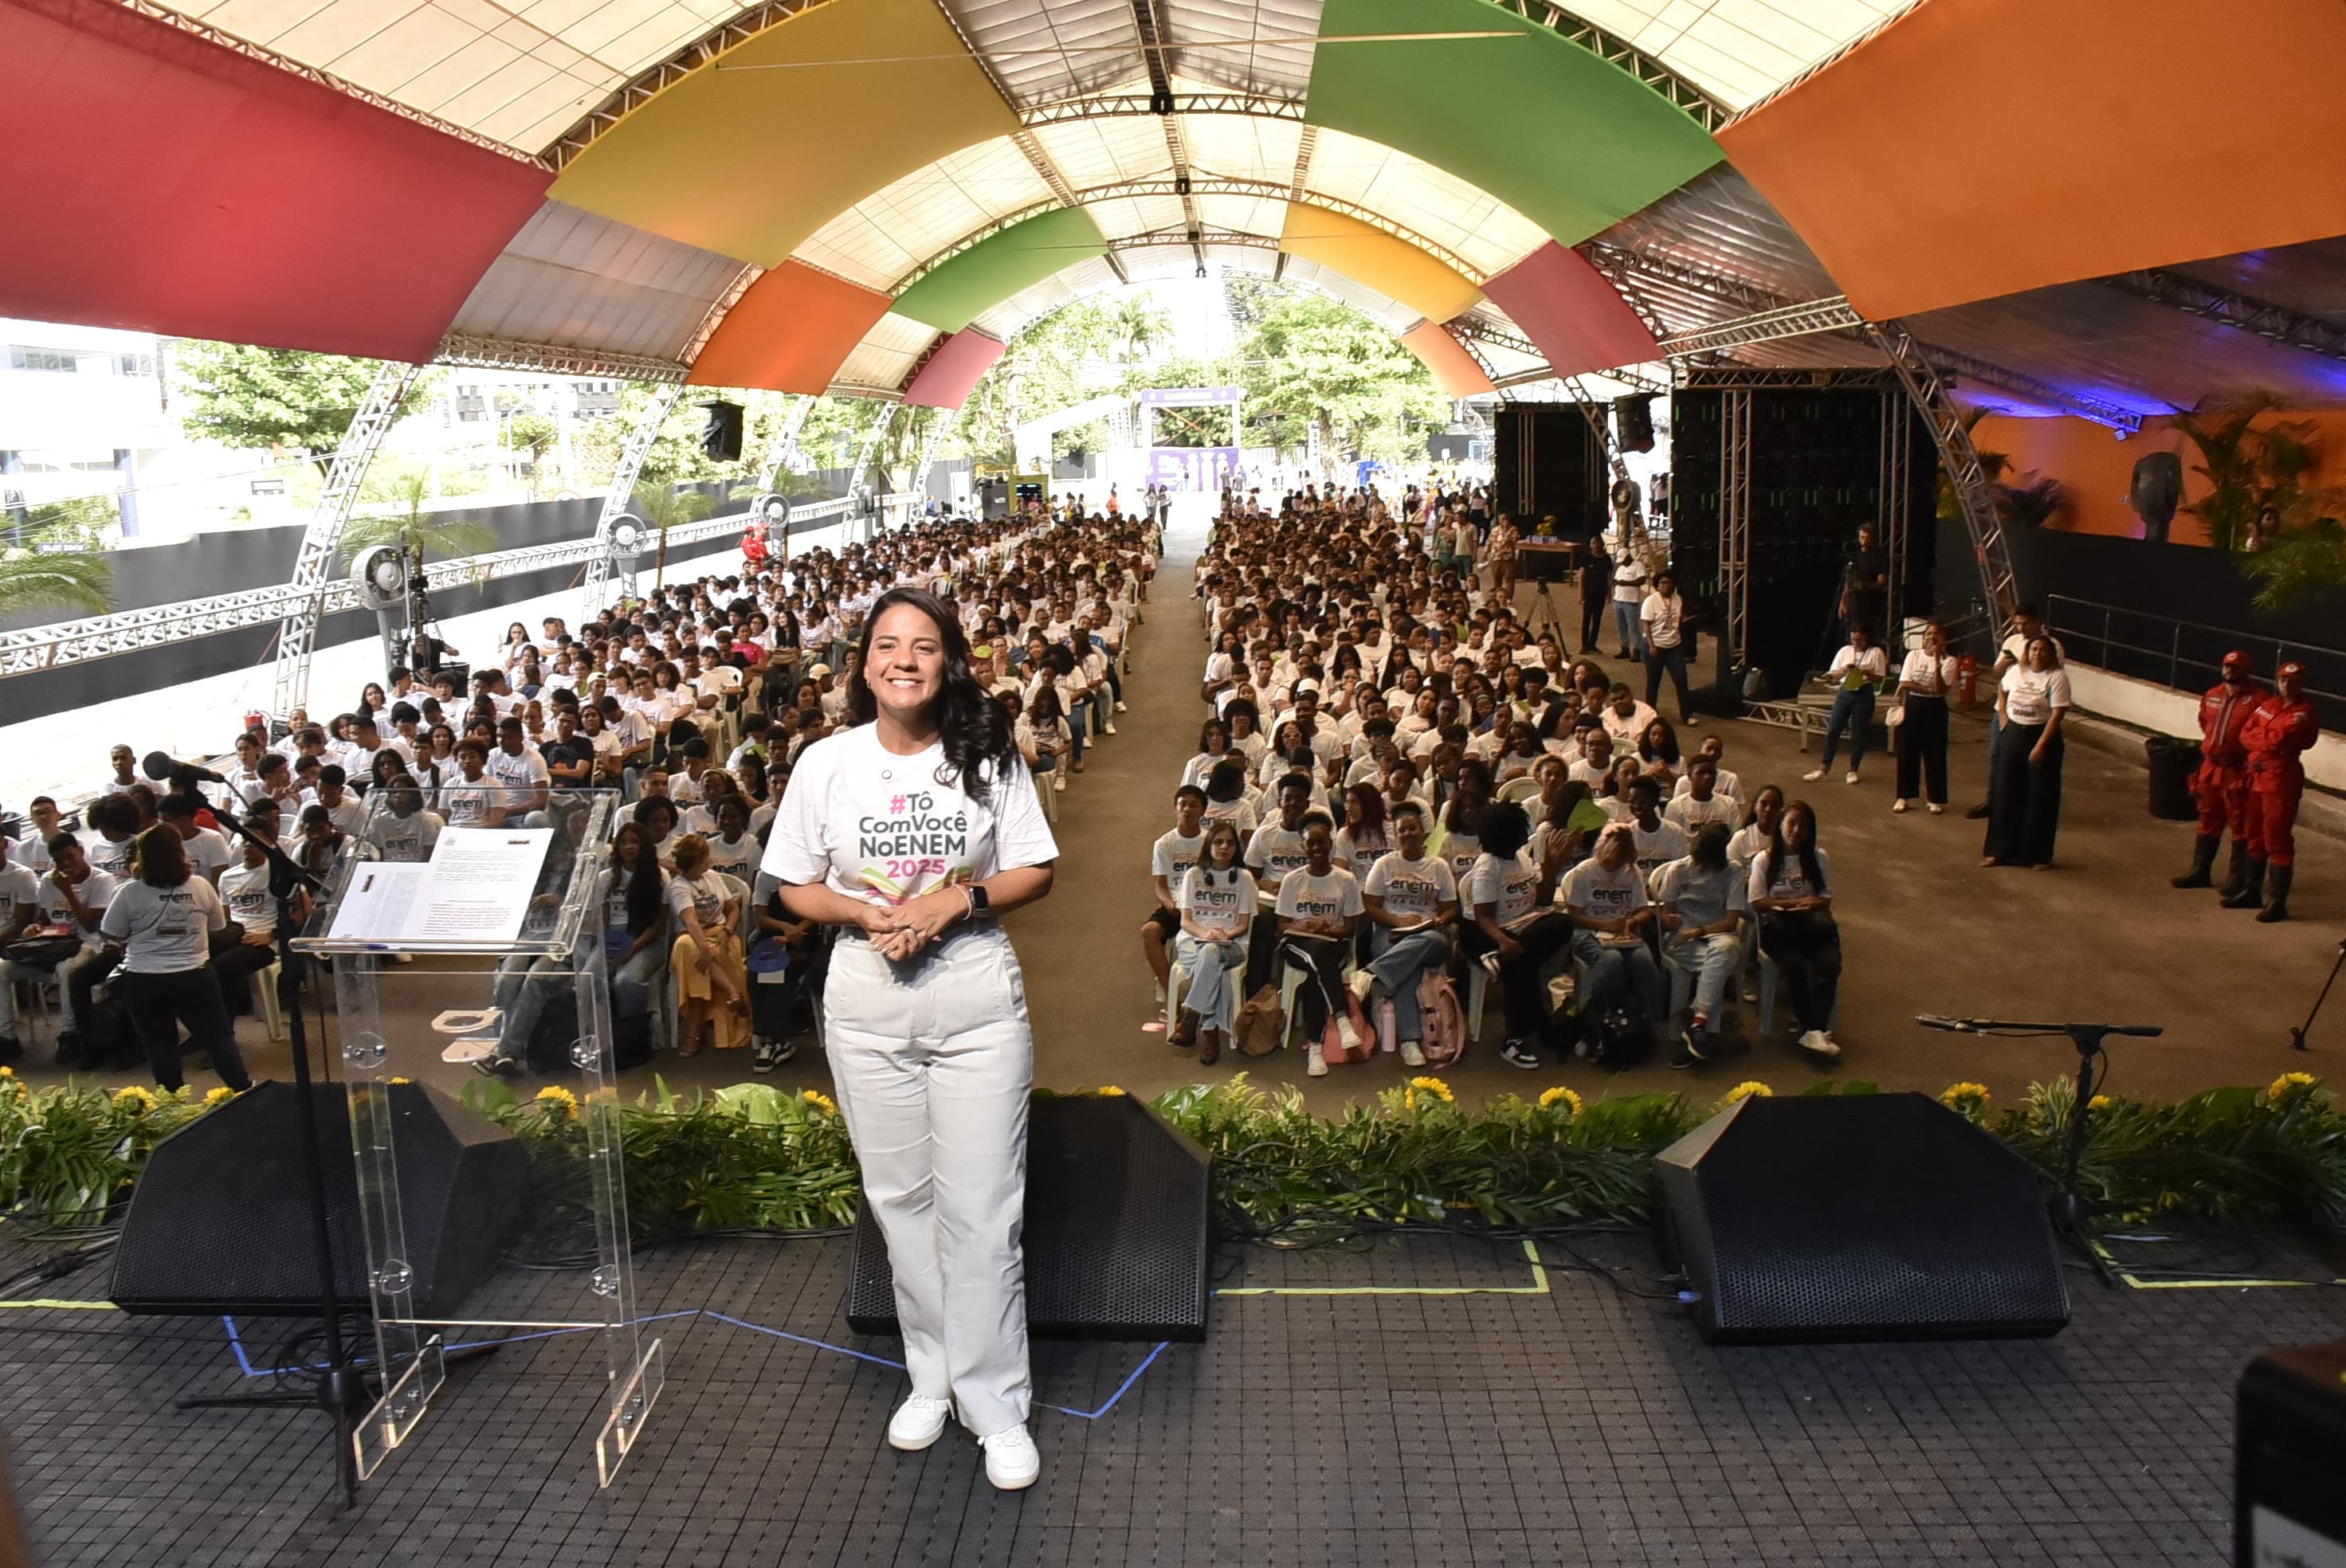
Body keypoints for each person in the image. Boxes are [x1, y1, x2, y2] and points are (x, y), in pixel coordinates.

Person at [764, 585, 1057, 1492]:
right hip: (865, 994)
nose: (903, 659)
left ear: (948, 661)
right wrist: (860, 909)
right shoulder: (826, 762)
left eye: (922, 646)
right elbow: (789, 885)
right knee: (901, 1202)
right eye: (886, 644)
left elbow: (1034, 870)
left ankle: (995, 1400)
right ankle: (930, 1375)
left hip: (971, 995)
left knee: (981, 1210)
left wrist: (950, 901)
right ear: (863, 664)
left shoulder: (985, 755)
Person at [99, 825, 252, 1094]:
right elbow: (217, 927)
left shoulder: (129, 892)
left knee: (160, 1047)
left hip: (144, 980)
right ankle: (243, 1091)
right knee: (218, 1039)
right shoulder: (201, 887)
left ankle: (172, 1104)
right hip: (194, 976)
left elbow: (112, 931)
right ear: (181, 852)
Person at [1461, 800, 1574, 1070]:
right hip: (1487, 932)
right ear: (1506, 834)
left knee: (1562, 922)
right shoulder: (1488, 866)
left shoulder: (1522, 858)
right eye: (1521, 830)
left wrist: (1553, 865)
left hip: (1524, 926)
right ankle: (1515, 1039)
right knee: (1520, 963)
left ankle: (1505, 962)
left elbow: (1544, 899)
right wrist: (1503, 941)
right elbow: (1483, 915)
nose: (1527, 834)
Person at [1357, 798, 1455, 1068]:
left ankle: (1374, 974)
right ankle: (1411, 1041)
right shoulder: (1384, 864)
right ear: (1396, 835)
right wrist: (1398, 920)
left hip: (1429, 934)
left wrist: (1437, 920)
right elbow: (1371, 907)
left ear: (1423, 831)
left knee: (1428, 942)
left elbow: (1451, 908)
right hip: (1390, 932)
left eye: (1412, 828)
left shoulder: (1438, 867)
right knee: (1409, 967)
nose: (1408, 834)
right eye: (1402, 830)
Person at [1274, 815, 1365, 1077]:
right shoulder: (1292, 880)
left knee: (1317, 971)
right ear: (1302, 847)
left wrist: (1328, 930)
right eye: (1310, 844)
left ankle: (1315, 1047)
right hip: (1296, 944)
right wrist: (1304, 928)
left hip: (1333, 944)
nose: (1316, 849)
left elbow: (1350, 927)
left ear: (1331, 844)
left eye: (1322, 843)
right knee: (1316, 957)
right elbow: (1282, 926)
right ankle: (1341, 1018)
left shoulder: (1345, 880)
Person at [1751, 800, 1841, 1061]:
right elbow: (1757, 902)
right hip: (1780, 930)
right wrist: (1795, 903)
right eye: (1791, 823)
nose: (1796, 830)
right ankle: (1815, 1030)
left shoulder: (1818, 857)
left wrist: (1813, 904)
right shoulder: (1764, 861)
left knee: (1830, 964)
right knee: (1796, 967)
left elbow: (1825, 898)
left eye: (1803, 825)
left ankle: (1815, 1030)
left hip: (1813, 926)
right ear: (1780, 826)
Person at [1556, 821, 1665, 1033]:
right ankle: (1600, 1017)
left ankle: (1648, 1021)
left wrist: (1631, 923)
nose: (1614, 868)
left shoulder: (1631, 872)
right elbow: (1575, 916)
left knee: (1644, 962)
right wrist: (1604, 924)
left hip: (1624, 931)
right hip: (1589, 930)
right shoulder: (1583, 873)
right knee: (1611, 961)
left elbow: (1644, 910)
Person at [2233, 661, 2319, 922]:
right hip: (2258, 777)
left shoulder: (2304, 712)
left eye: (2292, 681)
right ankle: (2251, 891)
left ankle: (2277, 902)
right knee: (2254, 834)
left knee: (2277, 839)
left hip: (2281, 781)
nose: (2286, 685)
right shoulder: (2269, 705)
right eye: (2282, 680)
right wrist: (2265, 737)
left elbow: (2280, 738)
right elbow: (2245, 734)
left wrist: (2263, 735)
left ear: (2301, 683)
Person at [2174, 651, 2264, 895]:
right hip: (2211, 767)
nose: (2229, 670)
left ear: (2246, 670)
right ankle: (2200, 870)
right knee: (2208, 817)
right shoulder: (2212, 695)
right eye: (2226, 665)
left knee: (2240, 821)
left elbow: (2260, 735)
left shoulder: (2258, 700)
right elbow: (2204, 722)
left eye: (2235, 666)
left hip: (2237, 769)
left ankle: (2238, 877)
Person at [1983, 635, 2069, 869]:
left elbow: (2057, 714)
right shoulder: (2015, 671)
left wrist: (2041, 746)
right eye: (2033, 649)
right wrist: (2003, 717)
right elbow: (2002, 690)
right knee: (2005, 791)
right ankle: (1999, 852)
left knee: (2040, 796)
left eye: (2042, 650)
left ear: (2050, 654)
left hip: (2041, 736)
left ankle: (2037, 855)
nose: (2037, 654)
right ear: (2027, 652)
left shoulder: (2057, 677)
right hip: (2013, 733)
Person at [1173, 820, 1254, 1064]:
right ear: (1209, 845)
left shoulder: (1244, 877)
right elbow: (1185, 921)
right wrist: (1205, 933)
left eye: (1230, 843)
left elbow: (1243, 924)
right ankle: (1208, 1029)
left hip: (1233, 944)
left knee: (1211, 955)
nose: (1224, 847)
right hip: (1192, 941)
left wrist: (1225, 936)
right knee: (1210, 960)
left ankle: (1191, 1017)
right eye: (1218, 842)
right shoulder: (1193, 875)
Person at [1144, 786, 1210, 1012]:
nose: (1187, 810)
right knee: (1150, 932)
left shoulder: (1209, 842)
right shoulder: (1164, 844)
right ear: (1175, 809)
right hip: (1175, 906)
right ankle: (1174, 999)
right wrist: (1169, 904)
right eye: (1182, 805)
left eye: (1193, 805)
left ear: (1203, 811)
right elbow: (1161, 886)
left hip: (1203, 905)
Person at [1806, 625, 1889, 786]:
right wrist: (1843, 671)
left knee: (1859, 733)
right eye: (1853, 640)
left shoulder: (1876, 652)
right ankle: (1824, 767)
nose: (1856, 643)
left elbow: (1880, 678)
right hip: (1845, 692)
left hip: (1864, 692)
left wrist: (1867, 673)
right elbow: (1832, 674)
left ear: (1867, 638)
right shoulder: (1845, 651)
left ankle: (1853, 769)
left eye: (1860, 640)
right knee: (1833, 729)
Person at [1891, 620, 1960, 814]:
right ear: (1923, 639)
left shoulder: (1950, 661)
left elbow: (1940, 689)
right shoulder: (1913, 656)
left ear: (1943, 640)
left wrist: (1937, 662)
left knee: (1935, 753)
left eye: (1936, 634)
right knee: (1906, 751)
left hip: (1935, 708)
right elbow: (1905, 682)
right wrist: (1926, 688)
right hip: (1913, 704)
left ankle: (1935, 798)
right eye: (1928, 634)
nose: (1931, 637)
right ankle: (1903, 796)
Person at [1638, 570, 1697, 725]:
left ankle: (1687, 715)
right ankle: (1650, 714)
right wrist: (1651, 646)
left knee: (1681, 679)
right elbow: (1646, 625)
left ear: (1673, 585)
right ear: (1657, 585)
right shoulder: (1651, 601)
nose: (1665, 586)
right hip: (1655, 644)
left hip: (1674, 645)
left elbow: (1678, 617)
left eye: (1668, 583)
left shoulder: (1678, 599)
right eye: (1662, 583)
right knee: (1654, 681)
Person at [1841, 522, 1889, 641]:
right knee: (1850, 635)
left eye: (1866, 538)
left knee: (1866, 636)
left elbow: (1882, 583)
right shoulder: (1856, 555)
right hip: (1853, 604)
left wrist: (1865, 586)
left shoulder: (1879, 556)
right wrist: (1843, 601)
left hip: (1868, 605)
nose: (1863, 540)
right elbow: (1848, 581)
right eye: (1861, 537)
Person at [1610, 541, 1647, 661]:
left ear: (1628, 556)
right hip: (1618, 600)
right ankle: (1625, 648)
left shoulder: (1638, 566)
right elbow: (1615, 581)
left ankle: (1637, 650)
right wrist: (1615, 584)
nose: (1623, 563)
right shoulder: (1620, 568)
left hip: (1631, 602)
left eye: (1624, 560)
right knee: (1622, 627)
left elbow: (1641, 581)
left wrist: (1626, 583)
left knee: (1633, 628)